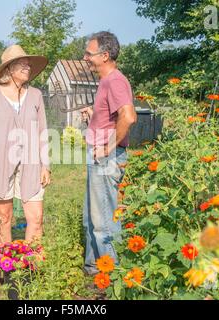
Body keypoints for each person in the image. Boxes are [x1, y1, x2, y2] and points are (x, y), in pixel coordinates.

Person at [0, 45, 51, 245]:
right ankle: (4, 267)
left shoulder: (35, 95)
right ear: (9, 70)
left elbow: (43, 132)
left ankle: (32, 269)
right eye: (22, 64)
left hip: (32, 164)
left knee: (36, 218)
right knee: (4, 219)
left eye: (28, 64)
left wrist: (46, 165)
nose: (27, 67)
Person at [80, 31, 137, 275]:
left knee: (104, 221)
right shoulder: (106, 81)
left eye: (88, 54)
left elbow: (129, 116)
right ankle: (94, 268)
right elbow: (113, 117)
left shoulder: (115, 80)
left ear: (104, 56)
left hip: (106, 158)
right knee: (91, 217)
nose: (85, 58)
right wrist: (93, 114)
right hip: (99, 156)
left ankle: (115, 278)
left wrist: (107, 146)